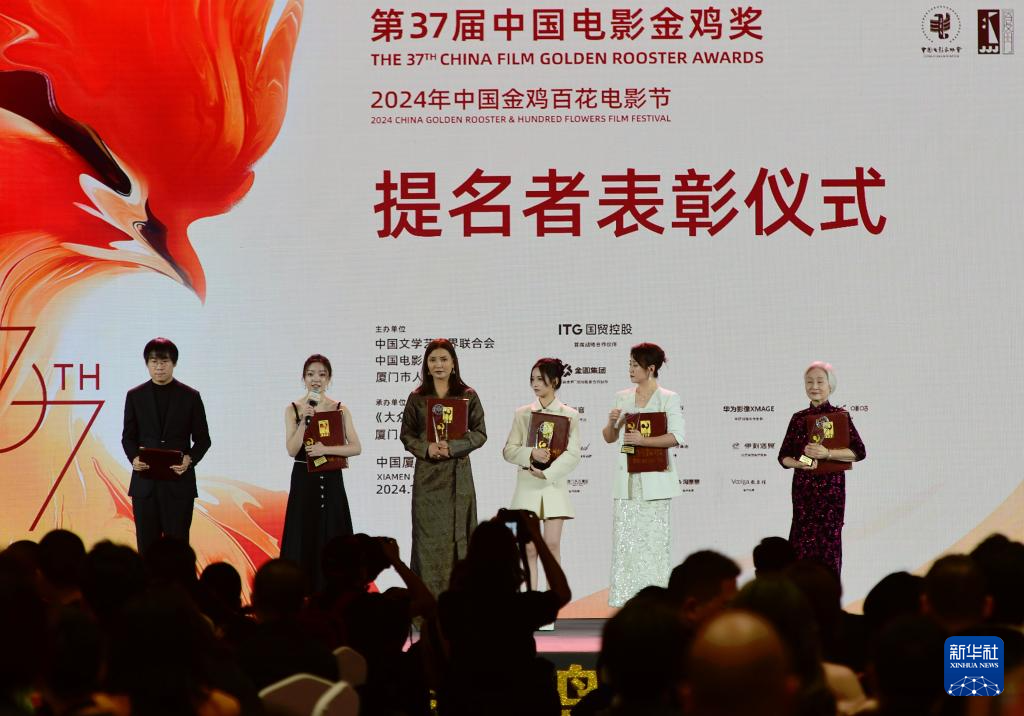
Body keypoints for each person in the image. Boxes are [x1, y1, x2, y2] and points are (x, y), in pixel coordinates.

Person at [438, 512, 570, 716]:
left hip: (467, 704)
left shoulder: (452, 604)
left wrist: (488, 536)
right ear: (512, 558)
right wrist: (537, 536)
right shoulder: (520, 607)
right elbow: (561, 592)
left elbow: (459, 584)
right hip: (517, 703)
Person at [400, 338, 486, 597]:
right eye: (433, 360)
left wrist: (453, 447)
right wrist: (427, 448)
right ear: (426, 365)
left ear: (453, 363)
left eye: (444, 359)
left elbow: (480, 433)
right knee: (426, 540)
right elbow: (407, 435)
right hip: (427, 478)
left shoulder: (468, 395)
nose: (439, 365)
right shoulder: (417, 397)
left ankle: (459, 602)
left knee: (460, 540)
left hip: (458, 477)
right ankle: (427, 604)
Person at [601, 342, 685, 607]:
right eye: (629, 364)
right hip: (627, 480)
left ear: (651, 368)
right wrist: (611, 422)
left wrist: (643, 440)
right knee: (626, 543)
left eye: (635, 365)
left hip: (655, 480)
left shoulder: (668, 398)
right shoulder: (622, 397)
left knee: (654, 544)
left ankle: (656, 600)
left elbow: (676, 437)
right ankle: (625, 600)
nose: (630, 369)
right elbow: (609, 438)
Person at [121, 338, 211, 554]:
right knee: (146, 547)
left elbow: (203, 439)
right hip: (145, 485)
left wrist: (189, 460)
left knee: (178, 549)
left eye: (164, 362)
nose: (159, 367)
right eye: (154, 362)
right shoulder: (135, 396)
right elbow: (128, 437)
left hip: (178, 484)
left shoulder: (190, 396)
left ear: (174, 363)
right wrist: (134, 458)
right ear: (147, 364)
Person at [280, 354, 361, 593]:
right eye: (311, 374)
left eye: (322, 374)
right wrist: (305, 422)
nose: (316, 379)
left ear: (329, 379)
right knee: (304, 533)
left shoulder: (340, 409)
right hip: (304, 479)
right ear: (303, 378)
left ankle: (336, 593)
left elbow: (356, 447)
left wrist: (326, 449)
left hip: (331, 477)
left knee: (333, 533)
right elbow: (292, 449)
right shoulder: (293, 409)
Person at [777, 361, 865, 577]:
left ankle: (828, 591)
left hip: (831, 492)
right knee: (800, 543)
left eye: (819, 381)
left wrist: (827, 454)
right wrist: (800, 463)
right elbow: (784, 456)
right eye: (809, 382)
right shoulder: (798, 418)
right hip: (803, 491)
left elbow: (859, 452)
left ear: (830, 385)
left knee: (829, 544)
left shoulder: (840, 416)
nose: (814, 386)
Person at [502, 357, 580, 593]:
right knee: (528, 548)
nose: (535, 384)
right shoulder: (523, 413)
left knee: (552, 545)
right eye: (532, 379)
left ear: (554, 381)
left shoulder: (569, 415)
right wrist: (531, 453)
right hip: (527, 486)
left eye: (540, 379)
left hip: (553, 486)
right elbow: (508, 450)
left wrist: (548, 474)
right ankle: (530, 603)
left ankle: (553, 601)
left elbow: (573, 454)